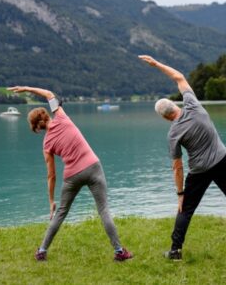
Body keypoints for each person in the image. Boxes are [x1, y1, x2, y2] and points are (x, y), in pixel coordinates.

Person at [138, 55, 226, 260]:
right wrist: (156, 64)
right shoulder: (193, 105)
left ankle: (175, 251)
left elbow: (177, 167)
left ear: (165, 118)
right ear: (175, 105)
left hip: (199, 170)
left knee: (185, 210)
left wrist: (180, 193)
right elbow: (179, 77)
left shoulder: (173, 133)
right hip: (222, 161)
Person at [7, 85, 133, 262]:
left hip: (72, 176)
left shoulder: (46, 145)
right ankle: (119, 252)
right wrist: (27, 88)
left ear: (36, 126)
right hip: (93, 166)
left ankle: (42, 251)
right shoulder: (61, 117)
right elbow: (49, 94)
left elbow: (51, 175)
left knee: (61, 213)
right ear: (46, 114)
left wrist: (51, 201)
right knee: (104, 210)